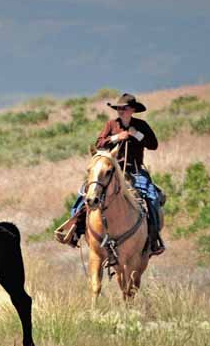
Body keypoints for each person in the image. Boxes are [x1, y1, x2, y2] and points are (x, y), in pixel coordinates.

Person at [64, 92, 165, 256]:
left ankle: (153, 238)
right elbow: (99, 143)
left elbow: (153, 144)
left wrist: (136, 135)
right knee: (85, 193)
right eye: (118, 108)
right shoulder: (111, 124)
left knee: (152, 197)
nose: (120, 111)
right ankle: (75, 230)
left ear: (132, 109)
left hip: (135, 170)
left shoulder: (141, 125)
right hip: (111, 170)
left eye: (124, 108)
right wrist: (116, 137)